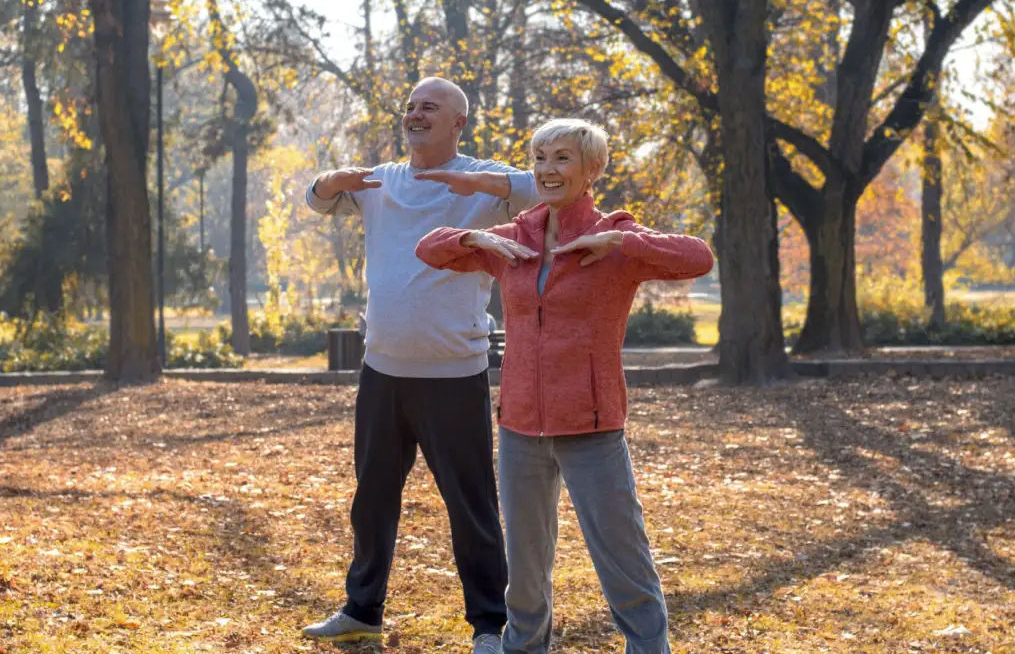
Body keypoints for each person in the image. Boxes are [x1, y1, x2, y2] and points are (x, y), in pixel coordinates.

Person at [415, 119, 713, 654]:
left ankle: (649, 647)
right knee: (526, 564)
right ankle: (523, 647)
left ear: (591, 170)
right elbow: (429, 250)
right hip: (520, 427)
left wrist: (622, 239)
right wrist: (473, 236)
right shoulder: (512, 241)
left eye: (562, 159)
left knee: (622, 554)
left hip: (593, 426)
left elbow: (698, 256)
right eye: (540, 158)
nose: (548, 170)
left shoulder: (616, 241)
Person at [300, 77, 540, 653]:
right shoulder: (381, 180)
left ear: (459, 122)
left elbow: (546, 188)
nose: (414, 113)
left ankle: (488, 625)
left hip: (453, 375)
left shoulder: (486, 181)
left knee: (472, 505)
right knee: (372, 498)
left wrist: (479, 182)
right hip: (381, 371)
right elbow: (316, 199)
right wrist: (330, 181)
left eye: (429, 107)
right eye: (410, 106)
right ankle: (362, 610)